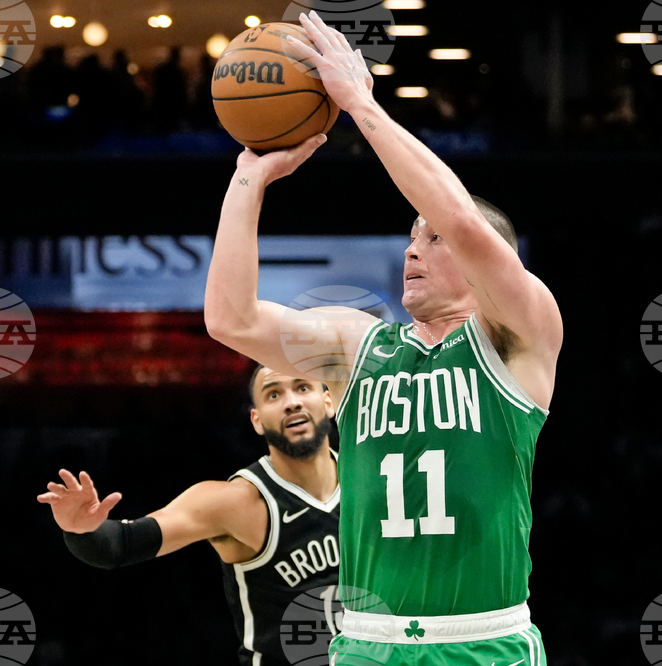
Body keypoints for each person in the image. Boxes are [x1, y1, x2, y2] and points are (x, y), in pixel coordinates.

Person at [204, 11, 562, 666]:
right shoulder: (360, 346)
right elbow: (231, 320)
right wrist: (248, 180)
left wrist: (360, 103)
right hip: (369, 645)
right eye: (409, 237)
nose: (412, 250)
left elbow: (463, 219)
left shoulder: (521, 333)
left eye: (431, 239)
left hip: (484, 642)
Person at [37, 366, 341, 666]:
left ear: (328, 401)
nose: (292, 402)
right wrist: (79, 528)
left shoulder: (376, 481)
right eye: (273, 394)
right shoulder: (235, 501)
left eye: (302, 387)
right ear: (257, 420)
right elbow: (117, 544)